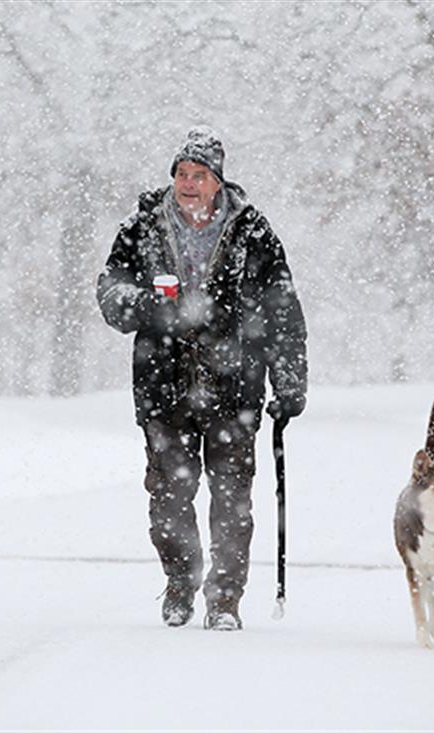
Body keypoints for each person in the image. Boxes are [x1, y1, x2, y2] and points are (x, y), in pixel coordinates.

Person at [96, 127, 308, 631]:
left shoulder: (252, 232)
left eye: (200, 176)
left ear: (219, 183)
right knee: (169, 497)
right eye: (182, 174)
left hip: (234, 384)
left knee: (232, 498)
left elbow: (283, 308)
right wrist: (151, 306)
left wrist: (290, 378)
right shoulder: (143, 226)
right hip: (162, 384)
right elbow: (110, 291)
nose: (188, 184)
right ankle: (180, 578)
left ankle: (225, 599)